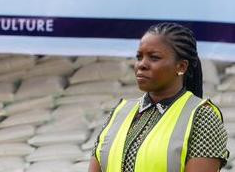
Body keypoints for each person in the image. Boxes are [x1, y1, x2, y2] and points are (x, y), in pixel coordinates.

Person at [89, 23, 229, 172]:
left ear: (181, 67)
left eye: (154, 57)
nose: (141, 65)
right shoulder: (119, 112)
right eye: (139, 57)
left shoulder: (202, 117)